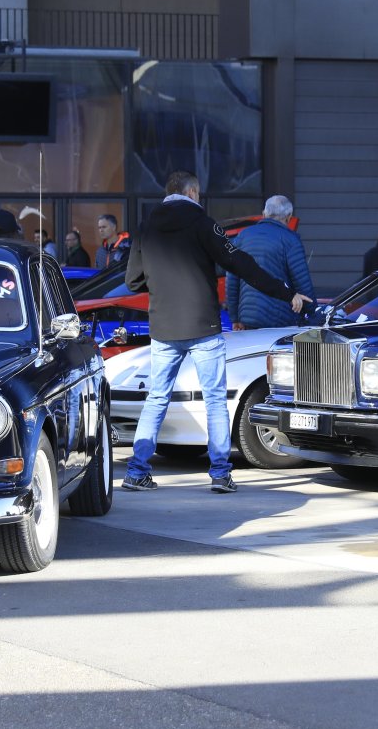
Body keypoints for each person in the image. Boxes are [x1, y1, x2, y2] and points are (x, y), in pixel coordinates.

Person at [123, 171, 311, 494]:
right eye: (199, 194)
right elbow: (241, 265)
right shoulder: (203, 223)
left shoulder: (146, 227)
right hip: (202, 325)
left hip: (164, 326)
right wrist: (286, 293)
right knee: (214, 400)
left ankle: (136, 471)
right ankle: (220, 474)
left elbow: (132, 281)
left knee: (156, 398)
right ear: (192, 192)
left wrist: (162, 284)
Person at [227, 195, 314, 330]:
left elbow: (232, 280)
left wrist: (234, 318)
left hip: (248, 319)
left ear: (264, 214)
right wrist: (312, 313)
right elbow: (302, 283)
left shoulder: (242, 237)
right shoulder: (290, 240)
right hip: (280, 320)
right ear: (289, 217)